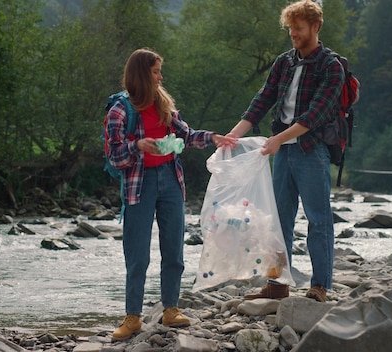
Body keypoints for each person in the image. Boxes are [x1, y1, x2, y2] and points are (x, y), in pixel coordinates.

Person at [104, 48, 236, 340]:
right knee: (137, 254)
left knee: (174, 247)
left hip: (171, 180)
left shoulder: (163, 103)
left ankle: (171, 309)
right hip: (139, 184)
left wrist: (214, 138)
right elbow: (114, 157)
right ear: (141, 74)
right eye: (155, 72)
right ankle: (132, 317)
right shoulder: (120, 111)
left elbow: (186, 135)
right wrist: (137, 146)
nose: (160, 77)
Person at [226, 0, 344, 303]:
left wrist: (279, 138)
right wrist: (233, 135)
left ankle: (320, 286)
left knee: (319, 219)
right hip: (283, 152)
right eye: (290, 27)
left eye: (299, 28)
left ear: (315, 27)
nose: (293, 33)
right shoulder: (284, 62)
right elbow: (262, 99)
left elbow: (316, 113)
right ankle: (277, 285)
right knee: (278, 221)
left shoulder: (331, 67)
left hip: (311, 150)